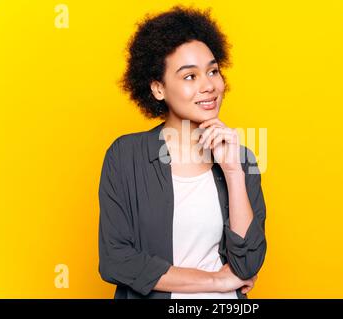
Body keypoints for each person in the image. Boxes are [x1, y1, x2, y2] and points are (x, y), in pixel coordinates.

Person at [98, 5, 267, 299]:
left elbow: (248, 263)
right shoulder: (125, 156)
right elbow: (116, 260)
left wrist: (233, 173)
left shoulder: (242, 158)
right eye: (190, 76)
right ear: (158, 88)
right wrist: (216, 281)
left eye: (213, 71)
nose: (208, 86)